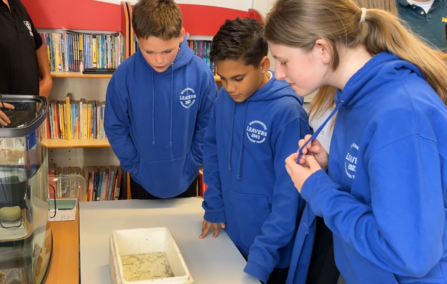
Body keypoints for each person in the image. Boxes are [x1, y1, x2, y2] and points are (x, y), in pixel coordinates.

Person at [265, 0, 447, 283]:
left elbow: (409, 256)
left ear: (323, 50)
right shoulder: (353, 98)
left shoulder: (398, 114)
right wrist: (331, 165)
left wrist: (318, 189)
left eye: (283, 60)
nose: (278, 73)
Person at [200, 18, 311, 284]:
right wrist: (214, 205)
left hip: (270, 253)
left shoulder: (287, 113)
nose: (230, 87)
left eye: (238, 78)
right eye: (223, 78)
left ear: (263, 64)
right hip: (230, 237)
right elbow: (212, 149)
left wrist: (261, 260)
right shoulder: (223, 98)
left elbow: (288, 197)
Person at [104, 0, 218, 199]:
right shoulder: (124, 75)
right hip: (141, 179)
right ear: (137, 40)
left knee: (183, 230)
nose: (159, 60)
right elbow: (115, 127)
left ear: (181, 36)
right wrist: (135, 166)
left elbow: (208, 125)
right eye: (149, 51)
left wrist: (194, 161)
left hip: (187, 177)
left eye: (167, 51)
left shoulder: (200, 73)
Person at [0, 0, 52, 126]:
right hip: (4, 123)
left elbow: (37, 43)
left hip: (28, 117)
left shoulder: (17, 5)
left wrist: (47, 78)